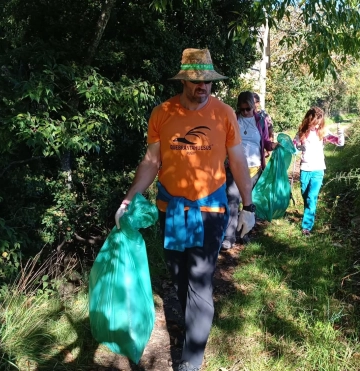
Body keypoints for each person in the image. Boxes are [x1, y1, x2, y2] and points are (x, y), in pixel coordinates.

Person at [114, 48, 256, 371]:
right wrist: (129, 199)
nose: (201, 86)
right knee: (179, 277)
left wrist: (248, 205)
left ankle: (191, 360)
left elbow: (237, 162)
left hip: (211, 213)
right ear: (183, 80)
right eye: (194, 80)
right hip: (171, 210)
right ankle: (191, 324)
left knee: (201, 282)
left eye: (207, 80)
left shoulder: (224, 114)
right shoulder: (162, 113)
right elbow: (152, 162)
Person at [221, 91, 277, 250]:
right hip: (234, 167)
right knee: (232, 201)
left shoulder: (260, 121)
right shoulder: (233, 119)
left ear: (254, 107)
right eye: (242, 109)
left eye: (248, 109)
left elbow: (265, 142)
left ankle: (245, 234)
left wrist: (274, 146)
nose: (245, 112)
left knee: (249, 203)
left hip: (254, 168)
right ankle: (229, 236)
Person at [293, 106, 329, 236]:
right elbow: (294, 147)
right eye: (314, 123)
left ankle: (306, 227)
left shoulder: (323, 133)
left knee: (311, 197)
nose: (316, 126)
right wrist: (297, 147)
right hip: (305, 169)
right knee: (305, 194)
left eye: (319, 123)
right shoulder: (301, 133)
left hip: (318, 169)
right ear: (309, 121)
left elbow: (339, 142)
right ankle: (308, 213)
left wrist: (340, 135)